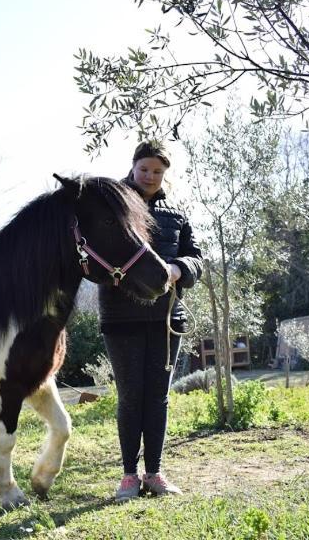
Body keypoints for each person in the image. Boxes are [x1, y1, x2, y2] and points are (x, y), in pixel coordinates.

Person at [98, 139, 203, 500]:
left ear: (165, 174)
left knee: (157, 398)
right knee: (130, 397)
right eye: (144, 169)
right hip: (121, 318)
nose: (150, 176)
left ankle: (154, 473)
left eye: (157, 171)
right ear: (133, 166)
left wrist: (179, 268)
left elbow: (196, 259)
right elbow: (96, 253)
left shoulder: (176, 213)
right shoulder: (112, 203)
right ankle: (129, 475)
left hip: (166, 320)